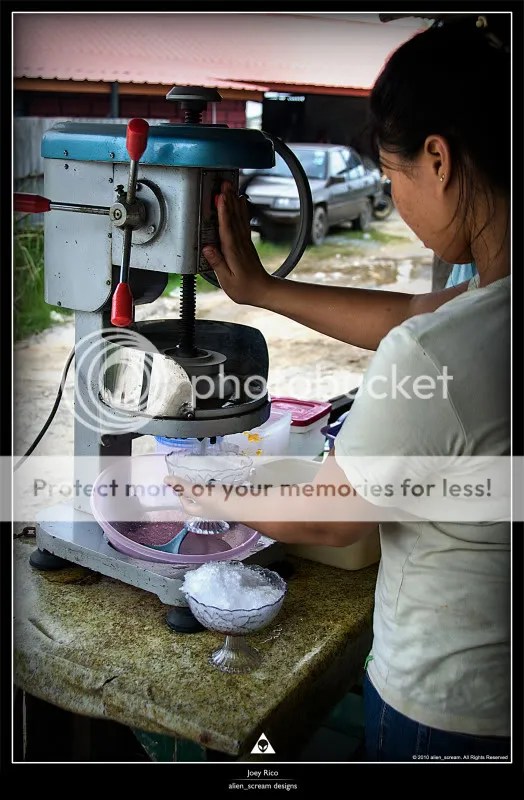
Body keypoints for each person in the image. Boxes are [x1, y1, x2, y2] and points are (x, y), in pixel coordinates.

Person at [166, 15, 510, 761]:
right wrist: (262, 289)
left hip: (448, 706)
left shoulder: (438, 353)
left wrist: (210, 492)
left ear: (439, 160)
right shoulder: (485, 310)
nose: (393, 197)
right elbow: (414, 312)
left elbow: (330, 518)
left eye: (392, 176)